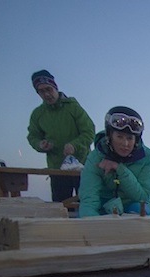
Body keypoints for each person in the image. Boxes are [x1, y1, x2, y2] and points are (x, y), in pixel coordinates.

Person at [27, 69, 95, 202]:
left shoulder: (73, 107)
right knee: (61, 207)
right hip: (57, 169)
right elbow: (32, 136)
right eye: (41, 91)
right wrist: (40, 144)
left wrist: (74, 145)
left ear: (55, 87)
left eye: (49, 89)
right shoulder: (38, 114)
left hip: (83, 167)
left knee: (87, 204)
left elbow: (89, 131)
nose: (47, 94)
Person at [78, 106, 150, 217]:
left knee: (141, 211)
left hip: (131, 204)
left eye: (130, 138)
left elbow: (143, 197)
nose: (125, 144)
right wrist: (90, 226)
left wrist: (119, 168)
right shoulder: (95, 157)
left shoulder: (146, 157)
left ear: (136, 140)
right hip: (103, 206)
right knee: (85, 216)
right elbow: (89, 198)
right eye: (119, 137)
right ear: (109, 136)